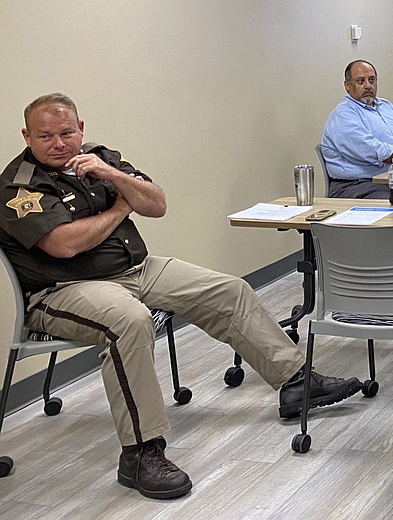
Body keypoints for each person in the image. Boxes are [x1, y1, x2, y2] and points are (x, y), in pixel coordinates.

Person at [0, 94, 364, 500]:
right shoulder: (20, 185)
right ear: (26, 136)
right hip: (65, 289)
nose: (58, 143)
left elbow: (156, 204)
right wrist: (122, 207)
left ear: (81, 129)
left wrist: (113, 176)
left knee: (229, 290)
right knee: (130, 321)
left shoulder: (99, 159)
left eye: (67, 132)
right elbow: (65, 245)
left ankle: (296, 384)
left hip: (135, 269)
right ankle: (140, 452)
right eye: (45, 135)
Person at [319, 60, 393, 199]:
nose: (368, 86)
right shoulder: (344, 115)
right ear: (347, 85)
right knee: (389, 200)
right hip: (358, 184)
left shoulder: (385, 105)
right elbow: (375, 152)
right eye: (361, 81)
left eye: (372, 80)